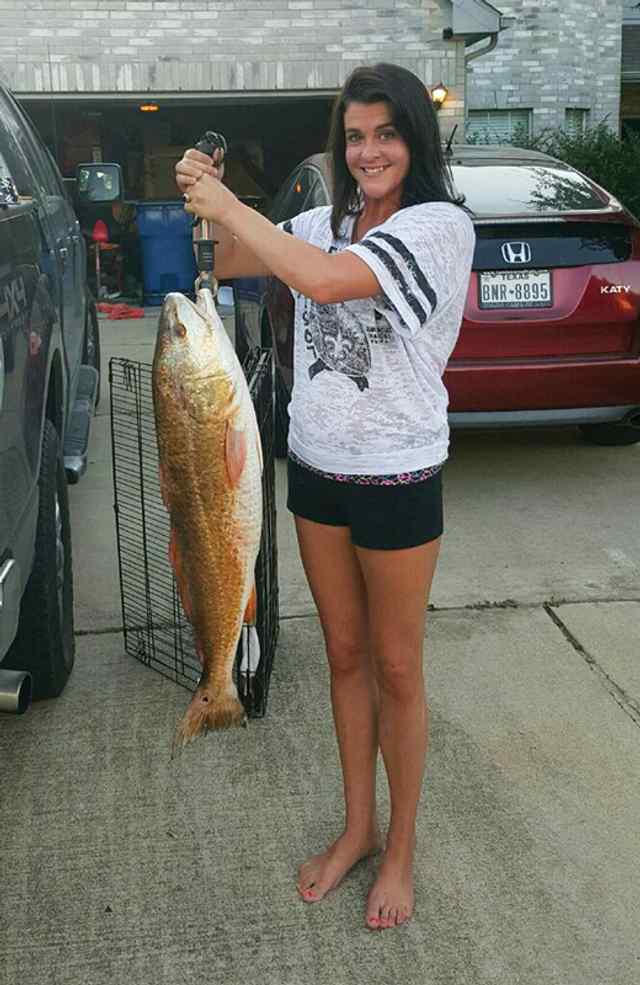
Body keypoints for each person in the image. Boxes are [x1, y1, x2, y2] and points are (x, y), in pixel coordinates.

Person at [175, 63, 475, 932]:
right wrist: (208, 197)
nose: (369, 149)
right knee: (344, 656)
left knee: (396, 666)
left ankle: (403, 848)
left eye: (386, 132)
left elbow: (330, 281)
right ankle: (358, 827)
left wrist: (236, 214)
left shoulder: (439, 226)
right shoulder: (326, 218)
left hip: (398, 474)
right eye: (354, 135)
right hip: (315, 468)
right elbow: (237, 256)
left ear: (414, 138)